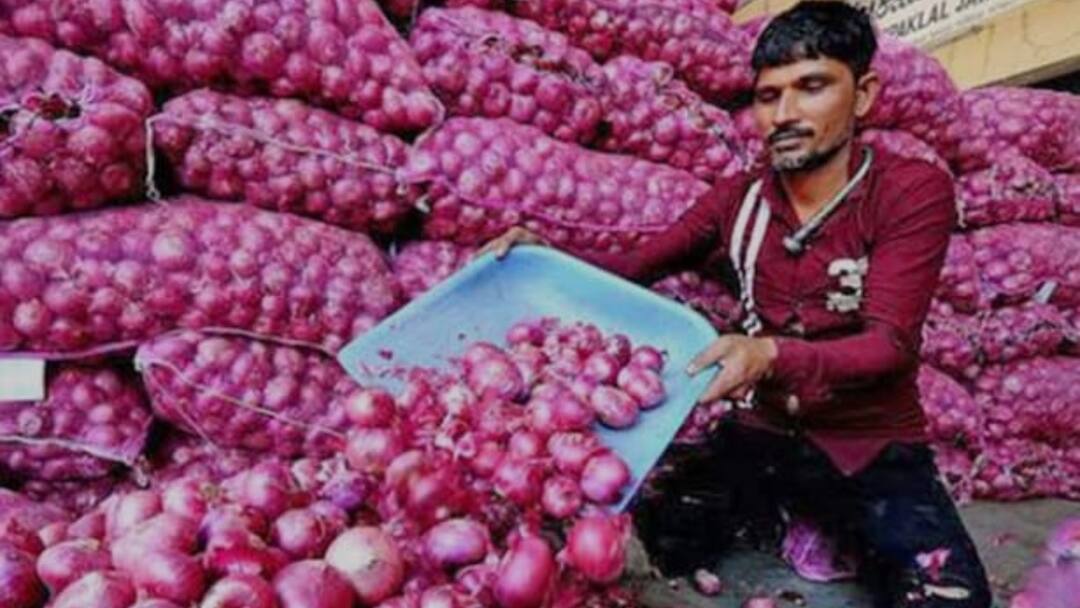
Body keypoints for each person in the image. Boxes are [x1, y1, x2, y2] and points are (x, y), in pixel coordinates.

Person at [476, 2, 993, 606]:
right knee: (665, 535)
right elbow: (639, 266)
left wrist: (769, 353)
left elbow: (889, 344)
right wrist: (549, 253)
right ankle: (792, 515)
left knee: (950, 595)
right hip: (763, 430)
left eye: (812, 87)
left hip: (869, 441)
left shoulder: (909, 190)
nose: (785, 114)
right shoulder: (738, 199)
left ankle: (820, 521)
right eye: (769, 96)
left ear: (864, 94)